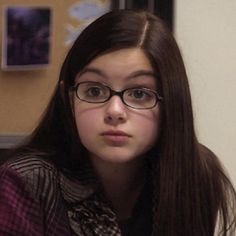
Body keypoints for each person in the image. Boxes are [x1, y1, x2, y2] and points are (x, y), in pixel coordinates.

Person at [0, 9, 235, 236]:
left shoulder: (197, 174)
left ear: (171, 103)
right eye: (94, 91)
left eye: (140, 94)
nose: (114, 111)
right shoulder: (27, 181)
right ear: (68, 98)